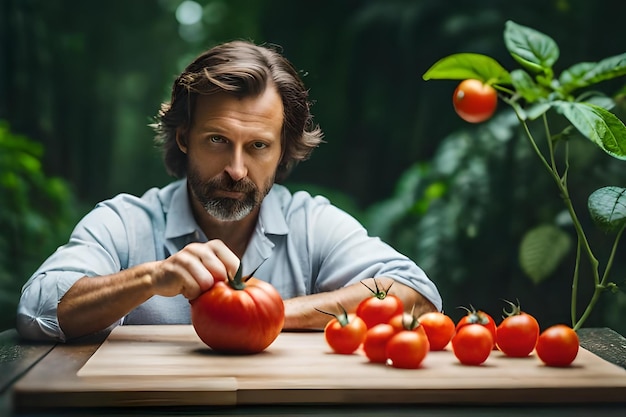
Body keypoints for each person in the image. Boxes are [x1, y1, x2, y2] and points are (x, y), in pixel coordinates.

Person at [16, 40, 442, 342]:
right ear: (183, 137)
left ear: (282, 152)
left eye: (258, 146)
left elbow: (416, 295)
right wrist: (151, 277)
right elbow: (37, 310)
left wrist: (265, 316)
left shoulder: (311, 223)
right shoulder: (125, 222)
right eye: (217, 140)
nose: (236, 170)